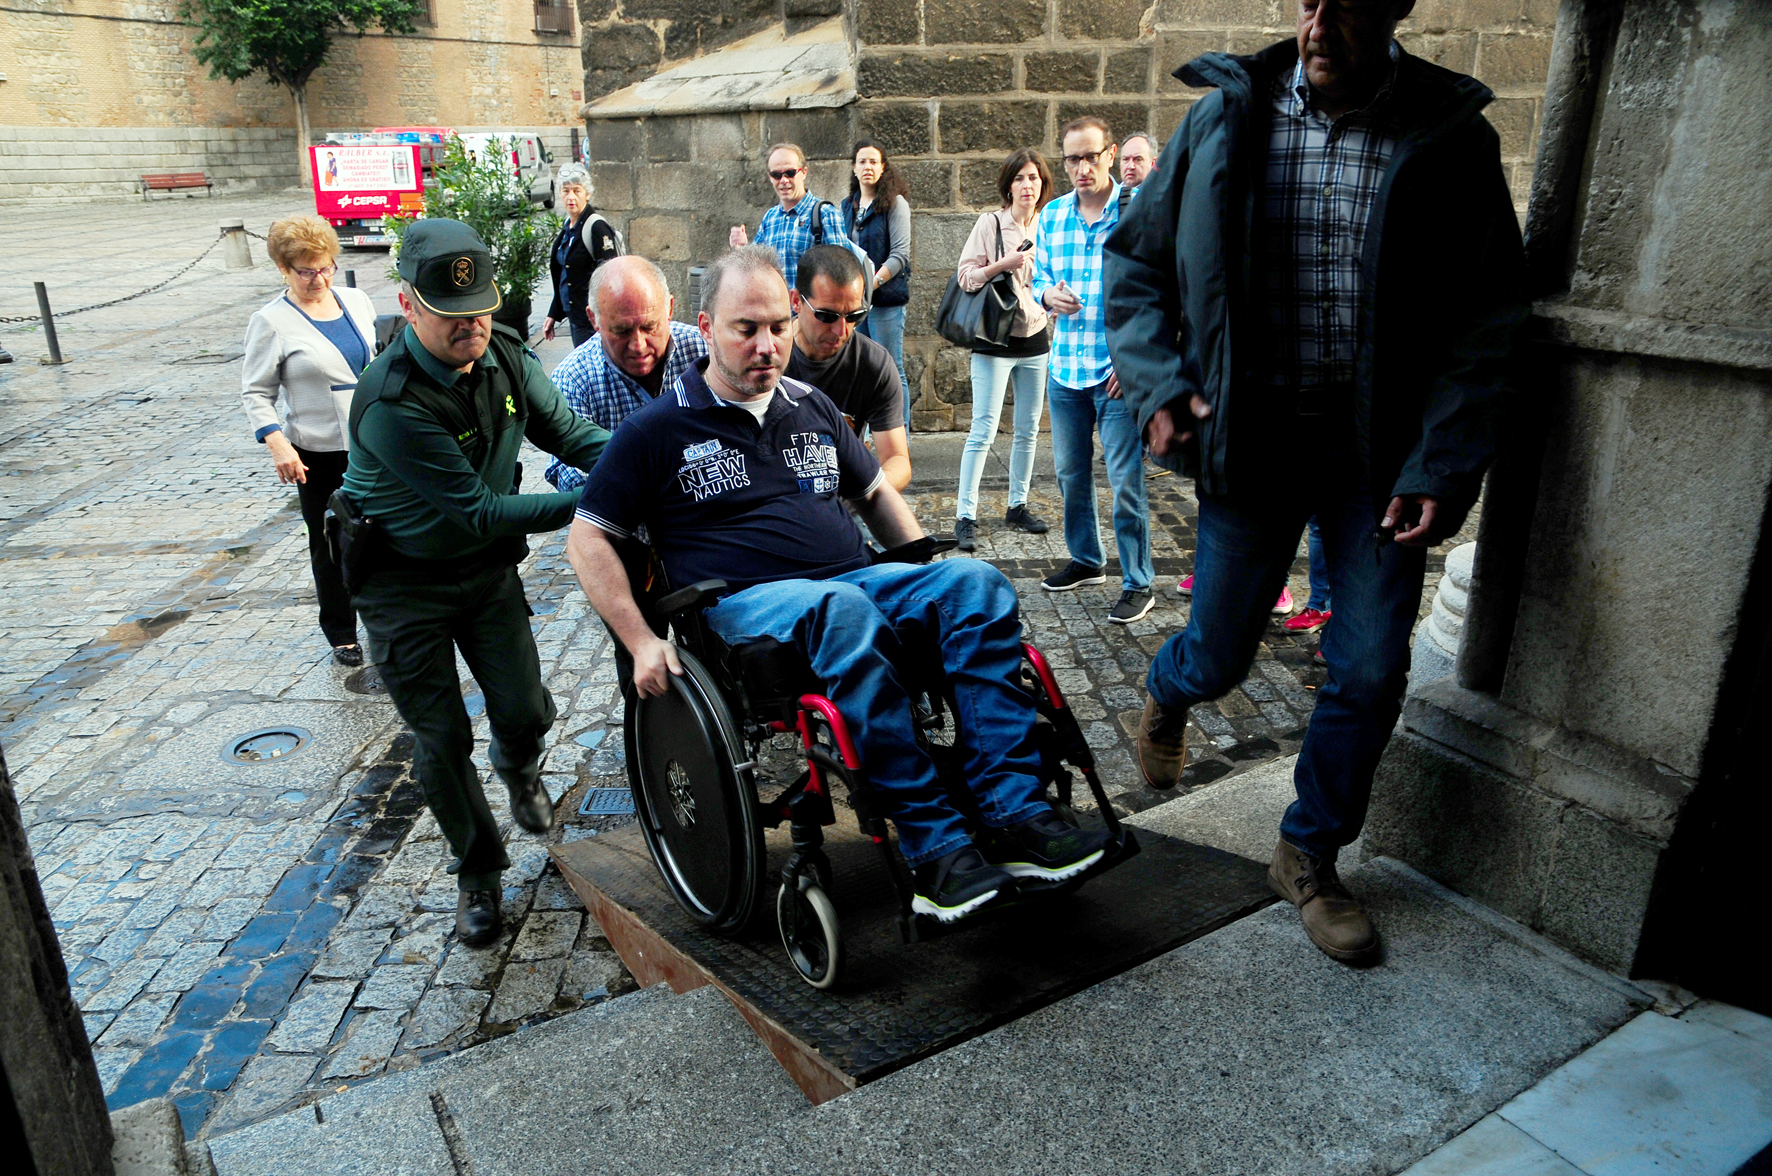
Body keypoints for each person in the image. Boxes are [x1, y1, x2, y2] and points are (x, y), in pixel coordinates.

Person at [1106, 0, 1526, 965]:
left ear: (1397, 8)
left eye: (1349, 3)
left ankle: (1306, 854)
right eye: (1309, 2)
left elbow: (1488, 318)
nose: (1321, 24)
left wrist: (1443, 459)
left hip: (1376, 463)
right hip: (1251, 448)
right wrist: (1165, 382)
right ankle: (1169, 690)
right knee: (1219, 656)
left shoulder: (1451, 140)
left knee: (1374, 667)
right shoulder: (1226, 118)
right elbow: (1135, 269)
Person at [566, 246, 1110, 923]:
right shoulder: (657, 430)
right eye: (745, 329)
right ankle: (935, 852)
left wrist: (922, 570)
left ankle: (1015, 813)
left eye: (776, 327)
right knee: (843, 609)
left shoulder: (812, 406)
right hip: (746, 608)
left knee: (975, 584)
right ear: (705, 329)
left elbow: (879, 493)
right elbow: (587, 538)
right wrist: (643, 642)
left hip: (853, 582)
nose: (766, 345)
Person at [339, 219, 613, 948]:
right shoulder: (390, 401)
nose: (475, 328)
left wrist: (635, 456)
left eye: (484, 309)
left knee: (524, 708)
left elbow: (568, 433)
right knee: (440, 741)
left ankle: (518, 767)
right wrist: (606, 497)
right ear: (409, 305)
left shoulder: (505, 356)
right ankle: (479, 874)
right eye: (454, 317)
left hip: (483, 574)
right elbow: (481, 511)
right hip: (402, 588)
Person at [1031, 116, 1154, 625]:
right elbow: (1038, 274)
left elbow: (1160, 289)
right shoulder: (1053, 216)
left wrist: (1138, 360)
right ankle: (1087, 559)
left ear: (1110, 155)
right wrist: (1045, 294)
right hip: (1065, 371)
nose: (1081, 168)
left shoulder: (1136, 213)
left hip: (1116, 374)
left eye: (1090, 156)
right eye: (1071, 159)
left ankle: (1138, 581)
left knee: (1125, 481)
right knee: (1069, 475)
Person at [242, 215, 379, 667]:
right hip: (316, 451)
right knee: (329, 541)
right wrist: (277, 442)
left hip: (371, 441)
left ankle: (386, 615)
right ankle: (341, 631)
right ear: (284, 269)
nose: (319, 278)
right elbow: (256, 392)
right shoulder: (271, 321)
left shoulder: (356, 301)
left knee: (382, 532)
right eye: (306, 270)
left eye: (325, 267)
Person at [953, 148, 1055, 553]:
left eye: (1033, 178)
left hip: (1036, 340)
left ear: (1042, 184)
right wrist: (1003, 264)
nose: (1027, 185)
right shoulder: (990, 223)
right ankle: (965, 515)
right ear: (1008, 185)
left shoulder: (1051, 225)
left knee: (1028, 430)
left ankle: (1018, 505)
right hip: (994, 341)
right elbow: (966, 278)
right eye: (1020, 178)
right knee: (983, 429)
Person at [544, 255, 708, 491]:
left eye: (650, 327)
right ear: (594, 319)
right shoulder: (574, 379)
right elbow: (567, 472)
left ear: (669, 308)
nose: (639, 345)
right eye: (622, 331)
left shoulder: (704, 351)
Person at [783, 244, 911, 491]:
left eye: (854, 316)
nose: (841, 331)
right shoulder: (769, 357)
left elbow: (897, 460)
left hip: (846, 499)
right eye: (827, 316)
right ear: (796, 301)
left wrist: (865, 491)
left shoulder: (873, 364)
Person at [841, 139, 912, 426]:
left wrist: (870, 285)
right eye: (862, 161)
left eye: (873, 161)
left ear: (883, 168)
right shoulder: (847, 206)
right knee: (861, 369)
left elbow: (900, 255)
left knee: (891, 368)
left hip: (885, 303)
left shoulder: (895, 204)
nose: (867, 167)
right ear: (854, 168)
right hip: (855, 304)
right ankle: (866, 438)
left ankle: (900, 437)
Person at [729, 143, 863, 293]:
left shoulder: (825, 214)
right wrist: (742, 248)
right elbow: (757, 268)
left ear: (804, 172)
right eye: (777, 175)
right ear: (770, 177)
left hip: (810, 314)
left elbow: (841, 274)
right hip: (776, 312)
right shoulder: (770, 218)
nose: (784, 180)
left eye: (790, 173)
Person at [542, 164, 619, 348]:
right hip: (575, 316)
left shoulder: (596, 227)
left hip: (593, 319)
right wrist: (554, 313)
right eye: (566, 191)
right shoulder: (567, 227)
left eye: (577, 191)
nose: (571, 197)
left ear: (587, 194)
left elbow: (610, 273)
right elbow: (564, 274)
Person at [1118, 132, 1158, 197]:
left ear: (1153, 163)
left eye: (1138, 159)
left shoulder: (1161, 198)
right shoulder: (1108, 198)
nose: (1130, 166)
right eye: (1126, 159)